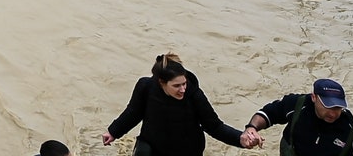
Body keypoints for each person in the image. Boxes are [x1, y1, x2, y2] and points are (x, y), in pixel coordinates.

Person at [102, 53, 257, 153]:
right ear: (161, 82)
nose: (183, 89)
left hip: (186, 150)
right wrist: (113, 131)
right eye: (176, 86)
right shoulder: (146, 87)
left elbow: (214, 126)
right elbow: (133, 113)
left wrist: (240, 139)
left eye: (184, 83)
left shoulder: (194, 95)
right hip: (152, 145)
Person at [241, 80, 353, 156]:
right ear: (314, 97)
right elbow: (268, 114)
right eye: (328, 106)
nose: (333, 114)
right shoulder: (297, 105)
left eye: (338, 108)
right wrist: (252, 128)